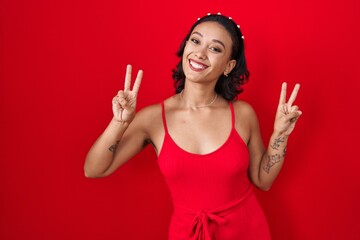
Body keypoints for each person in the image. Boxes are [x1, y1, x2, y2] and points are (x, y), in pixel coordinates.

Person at [84, 13, 302, 240]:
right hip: (188, 234)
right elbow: (94, 169)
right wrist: (119, 122)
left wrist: (281, 134)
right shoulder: (153, 119)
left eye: (215, 48)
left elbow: (263, 181)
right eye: (195, 41)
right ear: (185, 46)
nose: (200, 53)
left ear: (229, 65)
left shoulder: (243, 114)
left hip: (247, 231)